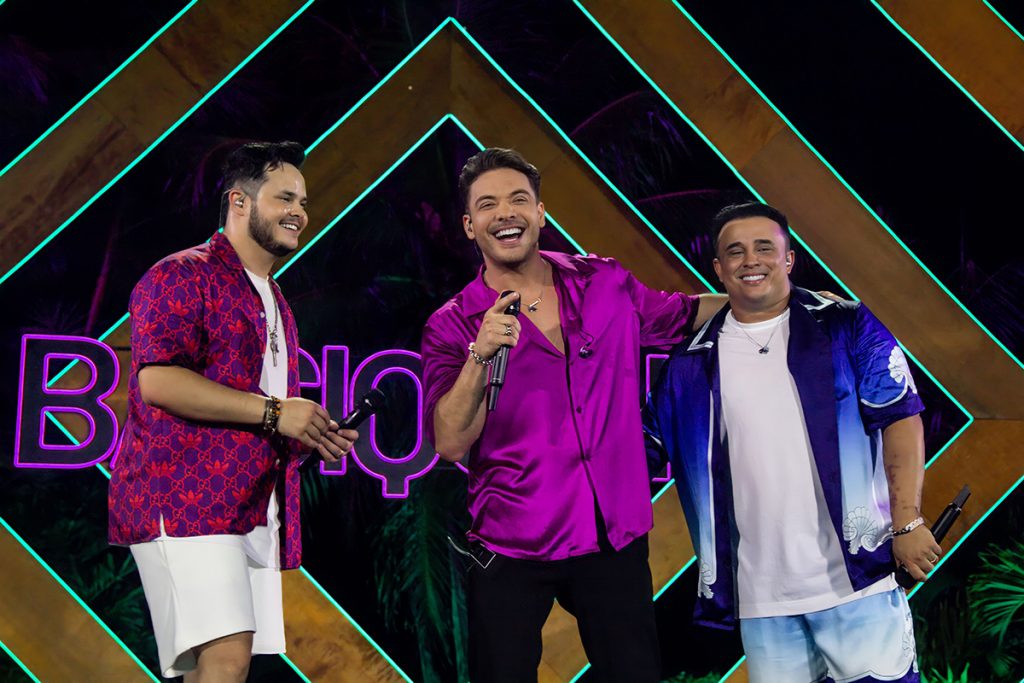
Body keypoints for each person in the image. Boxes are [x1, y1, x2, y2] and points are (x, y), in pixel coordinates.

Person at [420, 147, 726, 683]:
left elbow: (681, 315)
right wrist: (480, 355)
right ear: (470, 226)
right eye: (488, 205)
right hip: (511, 543)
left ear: (540, 213)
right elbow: (450, 441)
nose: (506, 213)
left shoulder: (605, 282)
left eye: (519, 199)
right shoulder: (451, 325)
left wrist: (771, 299)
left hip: (611, 535)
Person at [644, 202, 940, 683]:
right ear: (718, 268)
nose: (750, 260)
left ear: (788, 258)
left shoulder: (846, 325)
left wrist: (907, 521)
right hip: (762, 601)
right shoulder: (688, 366)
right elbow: (637, 453)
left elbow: (901, 417)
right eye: (734, 252)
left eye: (764, 247)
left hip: (856, 583)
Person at [109, 141, 357, 682]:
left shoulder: (274, 298)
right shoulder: (182, 274)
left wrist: (305, 432)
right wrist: (275, 413)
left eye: (303, 202)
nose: (299, 212)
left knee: (218, 667)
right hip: (184, 497)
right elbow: (158, 380)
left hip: (249, 505)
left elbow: (260, 409)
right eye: (284, 198)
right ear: (239, 202)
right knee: (226, 659)